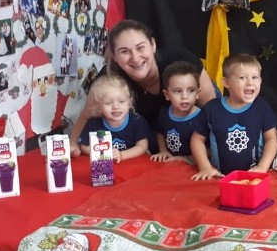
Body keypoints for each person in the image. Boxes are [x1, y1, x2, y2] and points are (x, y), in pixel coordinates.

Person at [69, 19, 217, 157]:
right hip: (157, 136)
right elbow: (87, 114)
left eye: (140, 47)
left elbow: (213, 113)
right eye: (124, 51)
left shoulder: (180, 60)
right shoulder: (108, 79)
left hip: (194, 123)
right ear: (114, 56)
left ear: (153, 45)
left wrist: (201, 157)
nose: (135, 58)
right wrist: (73, 144)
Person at [190, 54, 277, 180]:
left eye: (255, 77)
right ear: (226, 82)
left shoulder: (262, 106)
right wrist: (205, 167)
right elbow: (197, 139)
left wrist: (262, 167)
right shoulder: (212, 108)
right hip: (220, 178)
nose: (250, 83)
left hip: (254, 178)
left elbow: (272, 139)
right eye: (242, 78)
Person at [77, 74, 150, 162]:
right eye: (108, 103)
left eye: (121, 101)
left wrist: (121, 155)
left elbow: (142, 146)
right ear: (99, 105)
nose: (116, 107)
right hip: (104, 165)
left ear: (130, 102)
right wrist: (102, 153)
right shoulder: (94, 123)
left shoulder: (137, 120)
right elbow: (84, 146)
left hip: (132, 165)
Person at [151, 61, 204, 162]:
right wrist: (163, 150)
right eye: (178, 91)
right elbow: (160, 132)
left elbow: (210, 150)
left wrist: (187, 159)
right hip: (169, 165)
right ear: (167, 95)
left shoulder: (203, 118)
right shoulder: (164, 112)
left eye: (191, 90)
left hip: (193, 166)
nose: (185, 96)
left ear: (198, 93)